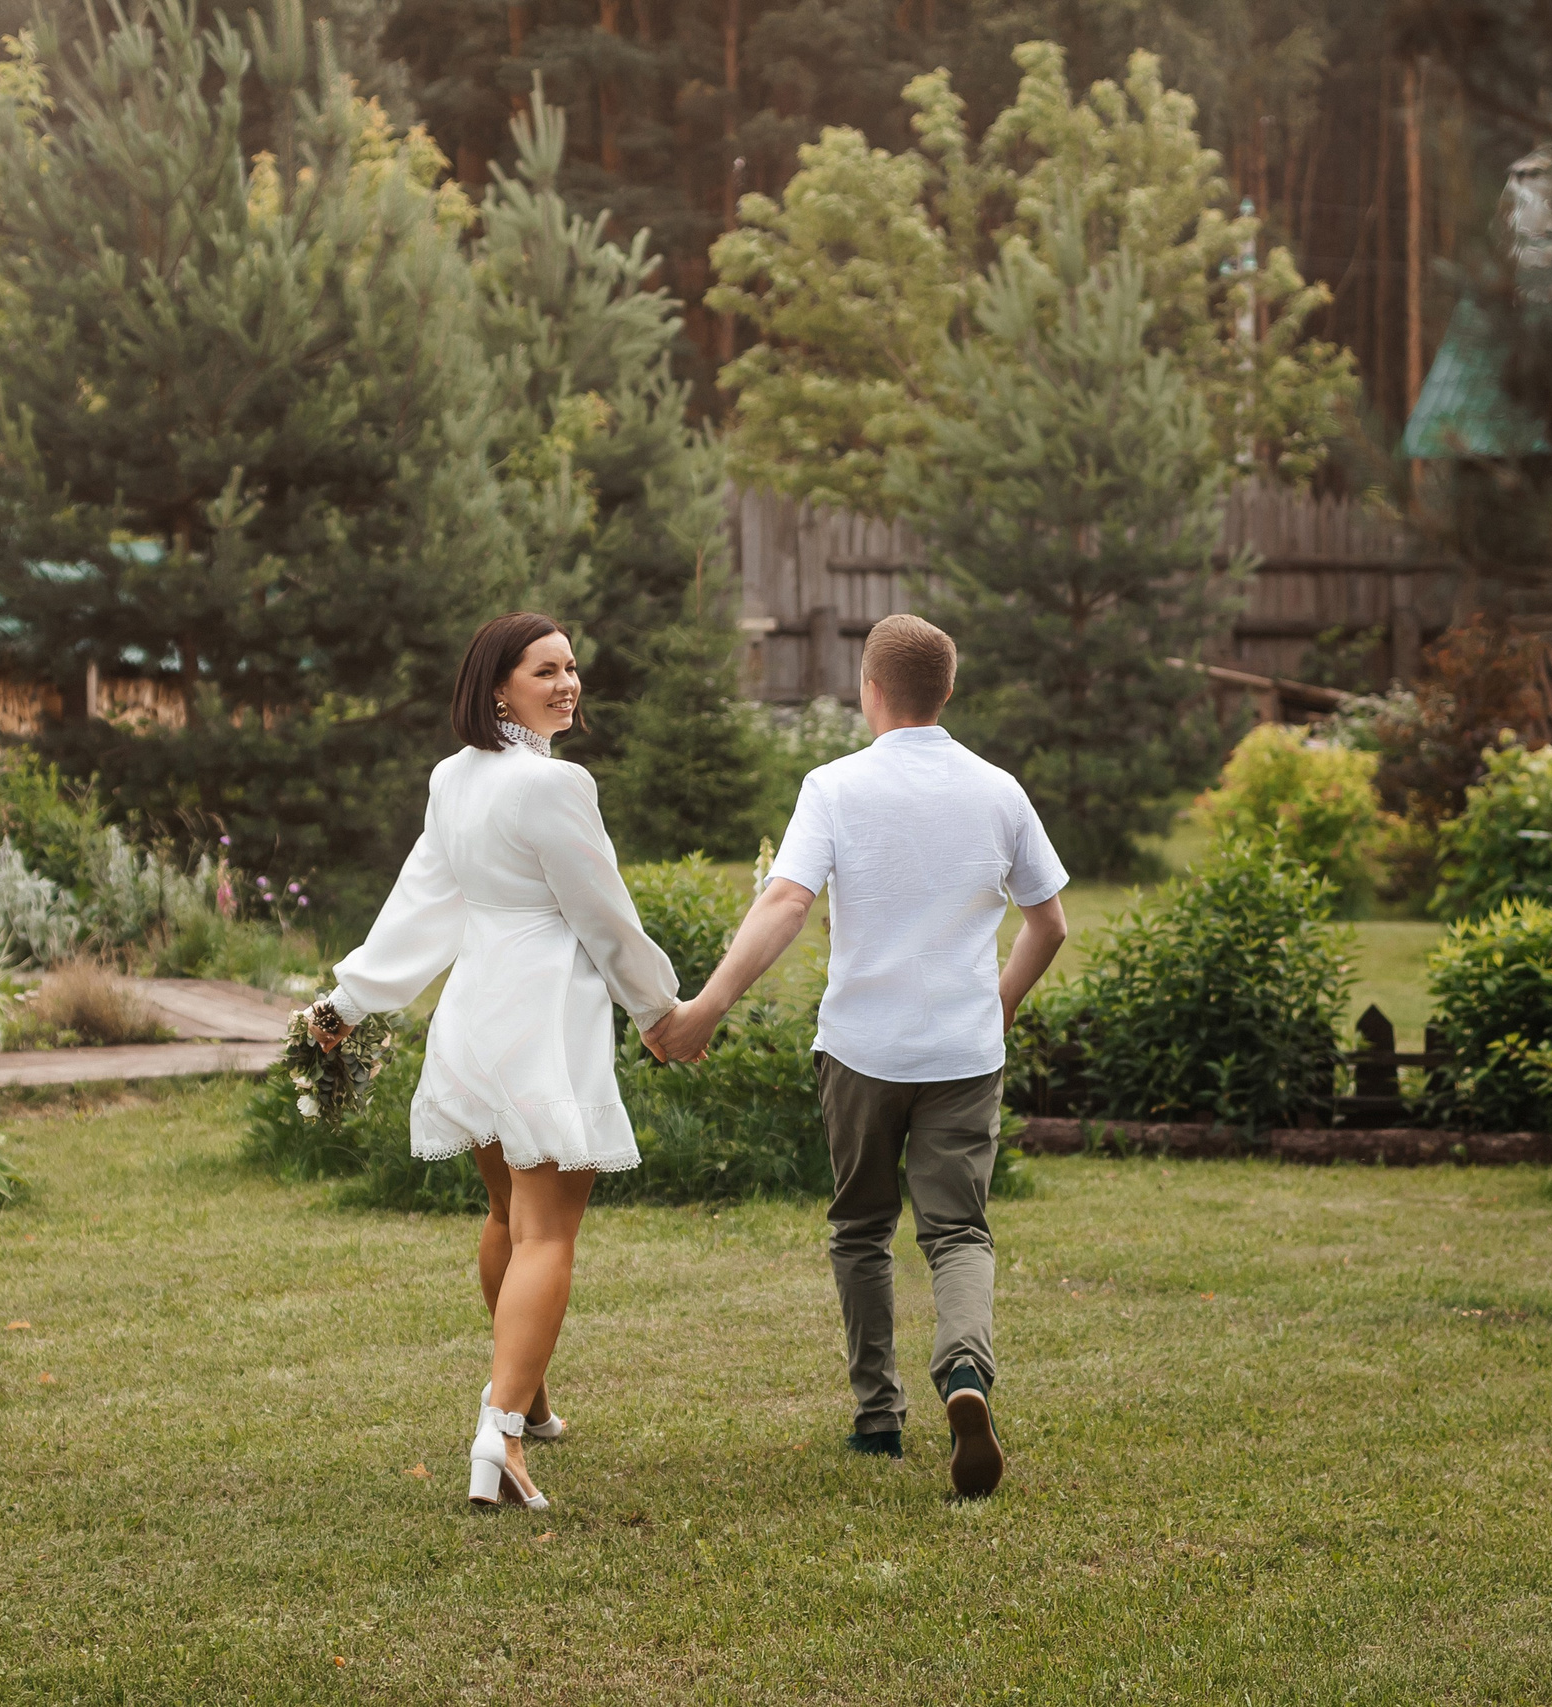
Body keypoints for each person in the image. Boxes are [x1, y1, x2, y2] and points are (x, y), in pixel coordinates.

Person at [655, 614, 1067, 1498]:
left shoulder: (834, 785)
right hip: (962, 1051)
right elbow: (1050, 923)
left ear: (868, 690)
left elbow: (786, 903)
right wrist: (994, 1006)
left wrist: (705, 1009)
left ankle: (879, 1417)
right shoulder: (999, 789)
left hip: (861, 1051)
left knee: (861, 1228)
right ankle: (965, 1371)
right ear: (948, 691)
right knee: (958, 1232)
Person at [306, 611, 680, 1512]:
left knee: (510, 1216)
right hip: (542, 1013)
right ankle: (501, 1432)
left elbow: (422, 903)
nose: (568, 683)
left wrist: (347, 999)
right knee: (546, 1231)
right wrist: (660, 1011)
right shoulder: (555, 786)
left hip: (475, 1014)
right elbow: (603, 914)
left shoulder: (453, 776)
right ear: (498, 686)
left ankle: (531, 1398)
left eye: (572, 667)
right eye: (545, 670)